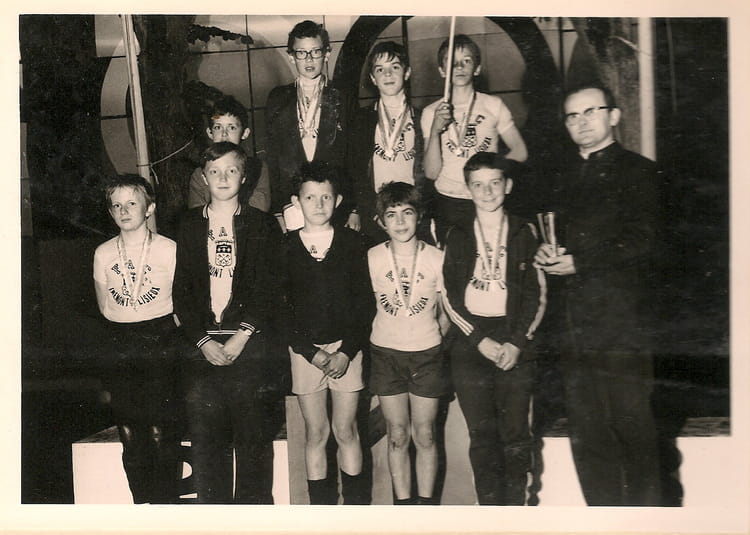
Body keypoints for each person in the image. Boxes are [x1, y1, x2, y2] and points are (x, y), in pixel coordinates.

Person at [534, 83, 661, 506]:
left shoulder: (640, 171)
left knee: (633, 428)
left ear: (614, 116)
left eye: (591, 112)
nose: (581, 122)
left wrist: (581, 263)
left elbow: (644, 241)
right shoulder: (562, 175)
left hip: (622, 322)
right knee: (587, 434)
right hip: (572, 324)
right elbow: (552, 235)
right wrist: (544, 250)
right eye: (572, 116)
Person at [173, 141, 284, 504]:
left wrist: (242, 335)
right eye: (215, 171)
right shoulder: (187, 225)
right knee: (207, 447)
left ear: (245, 176)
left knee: (254, 443)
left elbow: (269, 288)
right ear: (203, 177)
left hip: (248, 346)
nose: (223, 178)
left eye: (231, 170)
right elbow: (181, 292)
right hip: (202, 349)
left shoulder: (262, 224)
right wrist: (202, 341)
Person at [441, 152, 545, 505]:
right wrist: (477, 339)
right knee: (482, 435)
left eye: (494, 183)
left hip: (515, 337)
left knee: (515, 434)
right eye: (478, 185)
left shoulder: (524, 231)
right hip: (471, 342)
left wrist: (517, 342)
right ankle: (489, 511)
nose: (487, 192)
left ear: (508, 185)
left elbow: (537, 294)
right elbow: (449, 296)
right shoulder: (457, 234)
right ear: (467, 190)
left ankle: (517, 511)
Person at [279, 160, 371, 504]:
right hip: (305, 352)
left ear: (338, 200)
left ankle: (356, 514)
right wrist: (310, 352)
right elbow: (280, 310)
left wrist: (347, 351)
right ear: (296, 202)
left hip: (347, 349)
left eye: (326, 197)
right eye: (310, 197)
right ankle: (321, 515)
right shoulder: (285, 246)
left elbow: (365, 305)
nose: (318, 205)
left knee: (346, 430)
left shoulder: (352, 243)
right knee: (316, 432)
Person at [93, 174, 182, 503]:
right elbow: (104, 305)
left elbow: (181, 302)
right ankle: (142, 505)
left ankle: (165, 506)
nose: (124, 210)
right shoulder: (103, 253)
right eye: (116, 205)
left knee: (161, 431)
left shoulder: (168, 249)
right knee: (130, 433)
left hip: (160, 339)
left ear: (150, 208)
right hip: (121, 342)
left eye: (132, 203)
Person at [367, 181, 450, 505]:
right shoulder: (373, 257)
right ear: (381, 221)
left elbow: (448, 310)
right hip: (386, 353)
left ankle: (426, 510)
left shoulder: (437, 258)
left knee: (425, 434)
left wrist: (431, 336)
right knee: (397, 435)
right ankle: (403, 509)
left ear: (420, 216)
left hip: (426, 354)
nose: (400, 221)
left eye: (407, 213)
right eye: (392, 214)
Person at [421, 34, 528, 246]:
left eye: (467, 60)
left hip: (487, 198)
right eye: (451, 62)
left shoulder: (493, 105)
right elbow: (431, 173)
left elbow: (520, 151)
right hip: (450, 201)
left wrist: (491, 175)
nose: (459, 66)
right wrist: (435, 131)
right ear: (442, 71)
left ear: (477, 68)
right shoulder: (431, 112)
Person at [266, 20, 351, 233]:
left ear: (327, 54)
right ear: (291, 56)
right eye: (302, 53)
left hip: (331, 199)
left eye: (315, 52)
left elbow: (351, 155)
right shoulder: (278, 98)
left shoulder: (341, 97)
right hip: (292, 200)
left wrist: (353, 208)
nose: (309, 59)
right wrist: (277, 209)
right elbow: (272, 156)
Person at [347, 41, 428, 244]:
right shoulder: (362, 119)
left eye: (395, 67)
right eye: (380, 69)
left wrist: (420, 212)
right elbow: (356, 171)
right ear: (373, 78)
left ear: (407, 73)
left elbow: (428, 174)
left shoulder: (423, 117)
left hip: (412, 212)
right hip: (377, 213)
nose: (388, 74)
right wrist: (373, 213)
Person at [187, 94, 271, 212]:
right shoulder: (199, 174)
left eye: (231, 128)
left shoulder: (258, 168)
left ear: (245, 133)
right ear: (210, 133)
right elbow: (197, 214)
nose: (224, 134)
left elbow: (259, 209)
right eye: (218, 127)